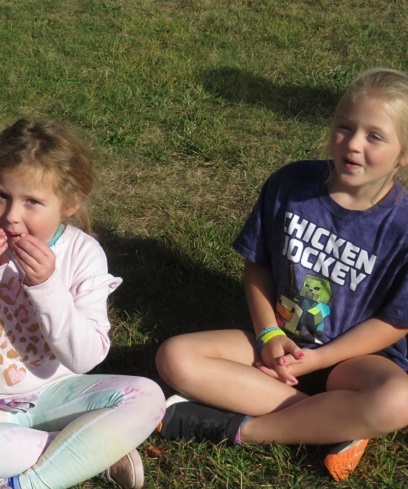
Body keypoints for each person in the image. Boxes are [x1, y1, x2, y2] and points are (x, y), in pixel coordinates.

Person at [155, 68, 408, 481]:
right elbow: (258, 264)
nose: (353, 144)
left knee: (400, 400)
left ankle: (243, 430)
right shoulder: (290, 184)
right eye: (345, 127)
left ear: (404, 154)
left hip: (356, 362)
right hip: (279, 342)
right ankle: (337, 423)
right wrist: (269, 334)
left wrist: (319, 360)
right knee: (175, 357)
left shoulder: (403, 226)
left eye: (374, 136)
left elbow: (397, 320)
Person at [0, 119, 165, 489]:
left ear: (70, 204)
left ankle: (16, 484)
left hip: (57, 397)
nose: (10, 215)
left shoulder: (82, 253)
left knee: (148, 396)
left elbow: (86, 358)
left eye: (32, 202)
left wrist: (48, 287)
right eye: (0, 195)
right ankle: (90, 453)